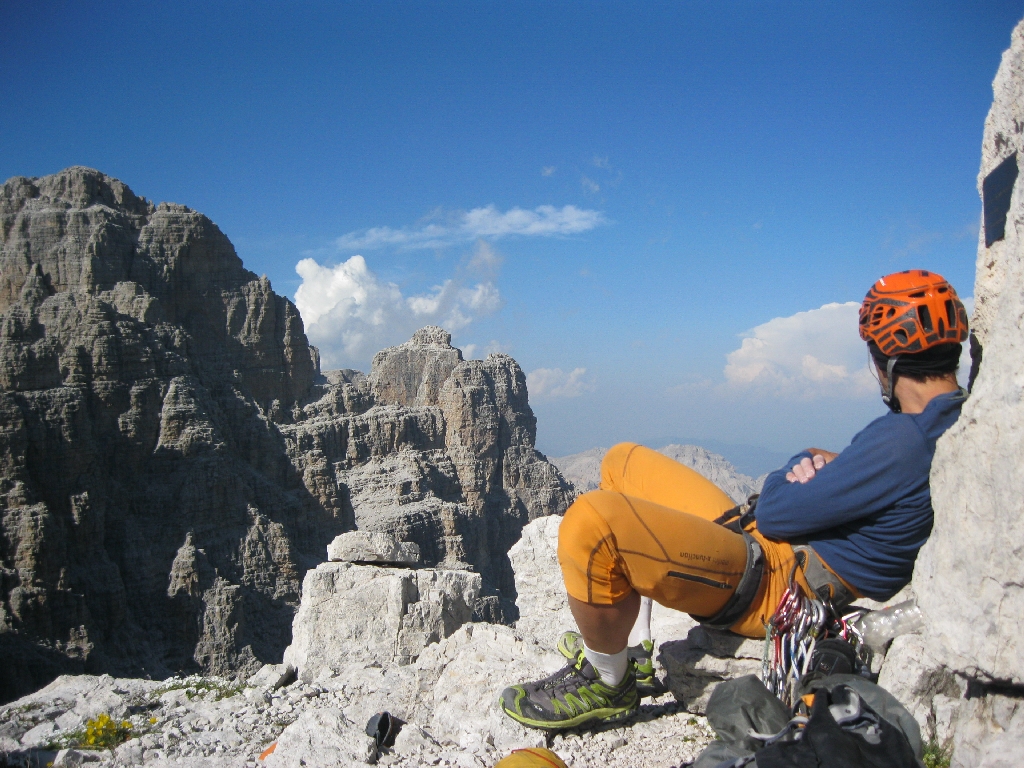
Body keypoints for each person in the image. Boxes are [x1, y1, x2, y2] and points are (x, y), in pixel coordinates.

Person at [500, 269, 969, 731]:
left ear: (885, 359)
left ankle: (608, 680)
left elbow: (776, 511)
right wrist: (831, 466)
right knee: (622, 462)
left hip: (774, 586)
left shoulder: (903, 440)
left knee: (590, 524)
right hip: (766, 552)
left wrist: (802, 460)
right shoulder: (951, 422)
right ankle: (636, 650)